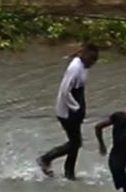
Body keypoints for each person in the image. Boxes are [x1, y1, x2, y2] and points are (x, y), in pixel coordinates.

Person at [38, 43, 99, 179]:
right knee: (75, 143)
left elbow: (79, 89)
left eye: (95, 61)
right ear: (85, 55)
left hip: (75, 107)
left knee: (75, 142)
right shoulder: (75, 67)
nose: (93, 63)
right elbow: (65, 91)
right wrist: (76, 108)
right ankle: (46, 159)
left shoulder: (83, 66)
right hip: (67, 111)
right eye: (92, 59)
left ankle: (69, 173)